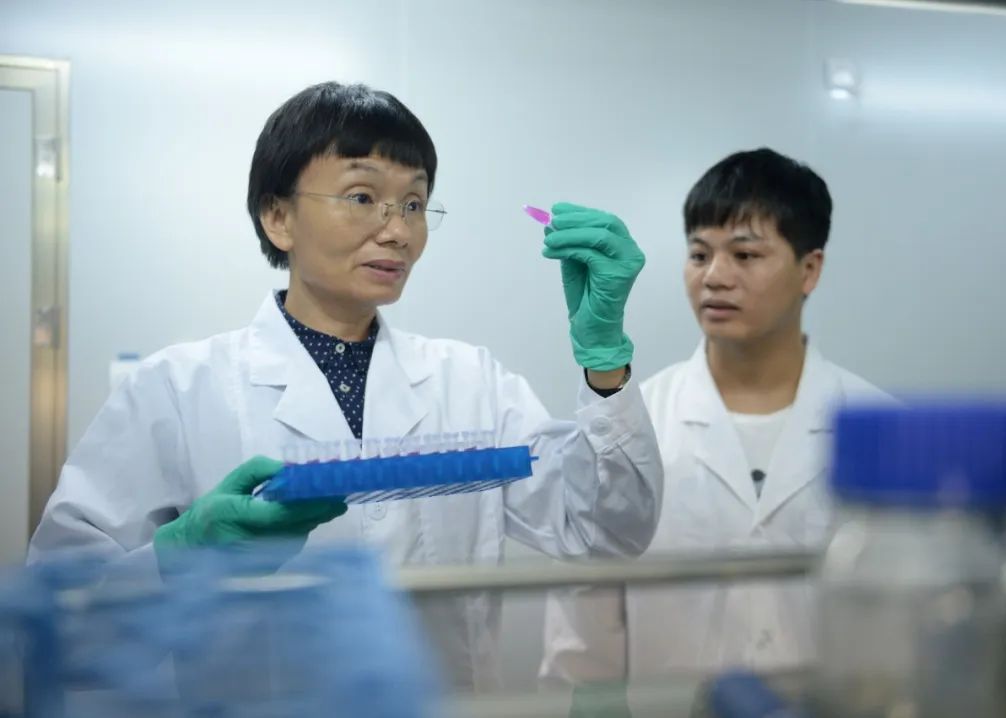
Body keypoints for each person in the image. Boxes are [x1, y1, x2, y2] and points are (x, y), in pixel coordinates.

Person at [28, 81, 663, 690]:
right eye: (362, 197)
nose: (398, 230)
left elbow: (606, 532)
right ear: (279, 217)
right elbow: (61, 628)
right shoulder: (175, 388)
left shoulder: (472, 382)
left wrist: (605, 362)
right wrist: (177, 557)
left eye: (414, 203)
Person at [541, 148, 894, 689]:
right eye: (699, 254)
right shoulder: (632, 425)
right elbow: (584, 621)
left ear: (810, 269)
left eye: (746, 255)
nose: (715, 277)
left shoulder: (881, 429)